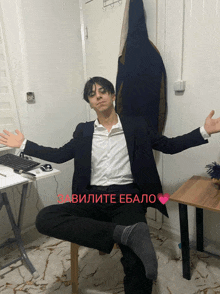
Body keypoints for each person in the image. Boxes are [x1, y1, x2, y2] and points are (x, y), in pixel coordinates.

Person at [0, 76, 220, 293]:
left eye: (102, 91)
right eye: (92, 94)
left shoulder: (136, 125)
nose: (98, 97)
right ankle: (124, 234)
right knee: (45, 218)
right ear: (89, 103)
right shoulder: (83, 130)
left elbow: (169, 145)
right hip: (91, 197)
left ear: (113, 95)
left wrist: (204, 131)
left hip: (127, 198)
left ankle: (126, 235)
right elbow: (59, 155)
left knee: (139, 264)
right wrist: (24, 145)